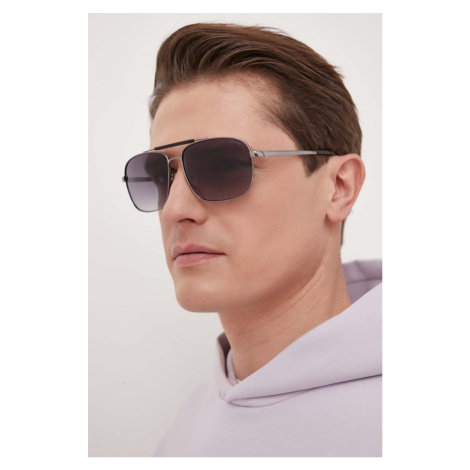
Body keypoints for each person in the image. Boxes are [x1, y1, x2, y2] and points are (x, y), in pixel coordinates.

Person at [122, 22, 382, 457]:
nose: (174, 209)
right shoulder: (185, 429)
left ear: (339, 187)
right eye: (159, 174)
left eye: (223, 165)